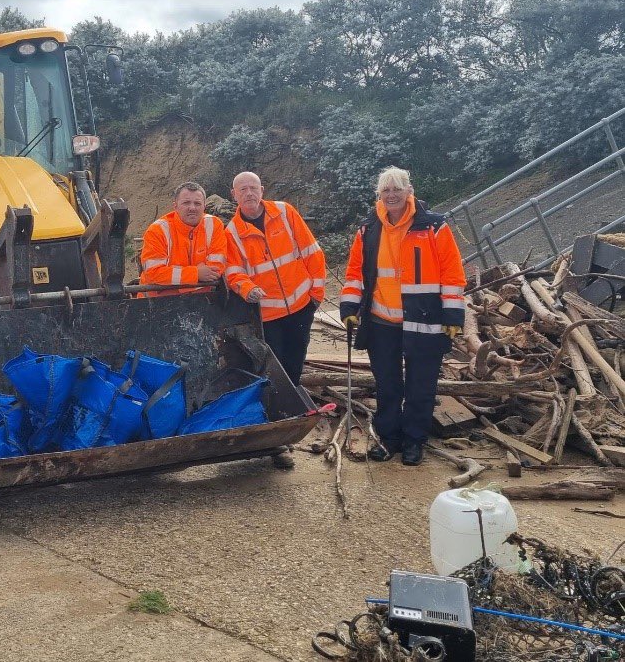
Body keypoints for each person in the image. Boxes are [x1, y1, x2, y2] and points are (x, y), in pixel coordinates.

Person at [339, 166, 465, 466]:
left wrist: (452, 314)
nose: (392, 194)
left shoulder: (433, 227)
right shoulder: (368, 230)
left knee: (421, 385)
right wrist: (349, 308)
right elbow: (355, 273)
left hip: (425, 318)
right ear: (379, 195)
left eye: (397, 188)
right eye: (386, 190)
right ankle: (389, 438)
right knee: (387, 384)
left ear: (410, 191)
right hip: (382, 321)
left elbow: (452, 273)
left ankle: (414, 440)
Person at [224, 172, 327, 469]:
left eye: (253, 188)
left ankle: (288, 425)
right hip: (268, 314)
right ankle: (277, 435)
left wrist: (316, 293)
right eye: (242, 189)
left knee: (295, 365)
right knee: (275, 370)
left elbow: (312, 252)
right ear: (234, 195)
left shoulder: (285, 212)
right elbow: (233, 273)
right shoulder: (232, 233)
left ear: (262, 190)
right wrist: (248, 288)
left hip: (300, 306)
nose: (249, 193)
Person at [139, 181, 227, 294]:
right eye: (186, 203)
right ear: (175, 206)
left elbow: (216, 269)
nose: (192, 208)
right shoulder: (157, 230)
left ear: (204, 206)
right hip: (157, 303)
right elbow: (153, 274)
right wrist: (196, 274)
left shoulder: (214, 224)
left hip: (201, 300)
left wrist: (175, 278)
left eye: (197, 203)